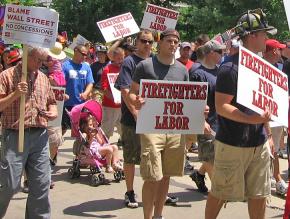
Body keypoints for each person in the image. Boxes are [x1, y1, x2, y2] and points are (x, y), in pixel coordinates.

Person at [205, 9, 276, 219]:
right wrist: (250, 119)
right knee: (220, 192)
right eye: (264, 33)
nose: (267, 37)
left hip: (259, 142)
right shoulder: (230, 69)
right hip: (232, 144)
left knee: (259, 194)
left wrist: (268, 132)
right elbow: (222, 106)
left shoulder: (263, 68)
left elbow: (266, 105)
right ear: (252, 36)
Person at [129, 29, 188, 219]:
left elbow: (188, 100)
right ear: (160, 43)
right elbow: (132, 92)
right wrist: (136, 101)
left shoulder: (182, 70)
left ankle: (158, 215)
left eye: (176, 42)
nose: (173, 45)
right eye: (169, 41)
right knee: (153, 175)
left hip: (175, 129)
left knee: (166, 175)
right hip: (151, 127)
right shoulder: (145, 66)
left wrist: (199, 112)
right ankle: (147, 216)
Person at [0, 46, 57, 218]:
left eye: (43, 61)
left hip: (39, 135)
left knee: (41, 184)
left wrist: (53, 112)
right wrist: (16, 94)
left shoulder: (43, 78)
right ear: (26, 55)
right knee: (9, 184)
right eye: (38, 60)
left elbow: (51, 102)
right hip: (15, 135)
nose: (41, 64)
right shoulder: (6, 75)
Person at [115, 29, 154, 208]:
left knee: (154, 157)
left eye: (150, 42)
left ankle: (158, 191)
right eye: (144, 41)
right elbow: (124, 90)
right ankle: (129, 192)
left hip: (154, 120)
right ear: (137, 42)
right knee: (131, 158)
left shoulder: (156, 61)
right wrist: (136, 114)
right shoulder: (129, 62)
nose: (147, 45)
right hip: (132, 120)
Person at [189, 40, 226, 193]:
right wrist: (202, 121)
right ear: (211, 53)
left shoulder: (219, 70)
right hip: (206, 122)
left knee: (215, 155)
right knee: (210, 157)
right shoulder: (198, 73)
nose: (223, 55)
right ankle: (219, 191)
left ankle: (198, 174)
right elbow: (194, 102)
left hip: (220, 122)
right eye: (220, 52)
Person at [263, 38, 288, 196]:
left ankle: (275, 178)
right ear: (274, 51)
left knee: (275, 150)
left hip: (277, 116)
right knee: (267, 150)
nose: (281, 51)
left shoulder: (279, 67)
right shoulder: (260, 68)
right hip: (265, 117)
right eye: (279, 49)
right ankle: (275, 179)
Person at [62, 44, 94, 134]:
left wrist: (86, 93)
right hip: (67, 103)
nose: (85, 57)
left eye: (86, 55)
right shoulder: (65, 66)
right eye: (83, 54)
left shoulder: (86, 67)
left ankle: (80, 147)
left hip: (81, 104)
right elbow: (60, 83)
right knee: (63, 128)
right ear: (75, 51)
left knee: (82, 130)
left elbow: (90, 83)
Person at [100, 47, 124, 139]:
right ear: (113, 58)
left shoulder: (124, 69)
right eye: (118, 58)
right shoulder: (107, 69)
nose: (120, 61)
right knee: (106, 130)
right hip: (109, 106)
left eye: (122, 58)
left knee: (123, 129)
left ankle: (122, 142)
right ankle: (102, 148)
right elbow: (104, 88)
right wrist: (114, 98)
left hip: (122, 106)